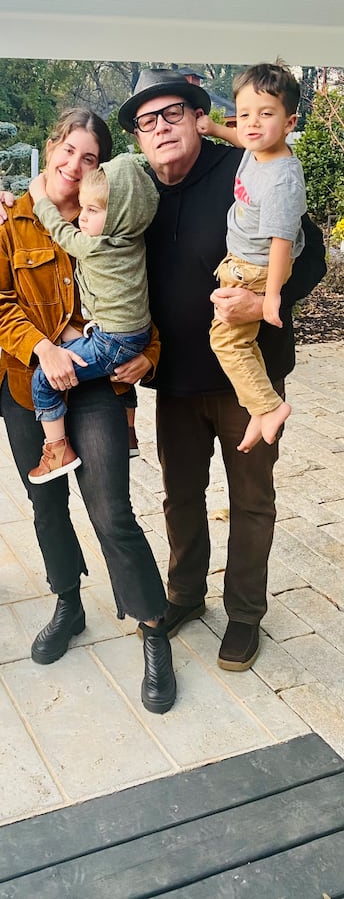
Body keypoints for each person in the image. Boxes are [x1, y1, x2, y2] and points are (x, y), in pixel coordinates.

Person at [115, 68, 325, 672]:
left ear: (199, 116)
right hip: (175, 381)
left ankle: (244, 615)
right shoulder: (139, 193)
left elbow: (304, 252)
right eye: (146, 121)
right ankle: (185, 594)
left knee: (251, 499)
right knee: (181, 495)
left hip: (248, 379)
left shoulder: (243, 167)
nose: (160, 128)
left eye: (172, 113)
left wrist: (264, 304)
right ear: (137, 136)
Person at [0, 108, 176, 715]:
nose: (74, 166)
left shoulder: (121, 219)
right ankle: (68, 602)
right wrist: (42, 348)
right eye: (67, 151)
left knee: (112, 508)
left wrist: (150, 357)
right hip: (29, 380)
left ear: (103, 168)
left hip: (99, 385)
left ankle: (152, 627)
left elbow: (151, 304)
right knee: (45, 503)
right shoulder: (11, 220)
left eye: (90, 158)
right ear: (51, 146)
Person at [27, 153, 158, 483]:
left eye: (93, 211)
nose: (82, 219)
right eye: (82, 208)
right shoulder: (133, 237)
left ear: (118, 215)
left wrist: (40, 197)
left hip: (112, 340)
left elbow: (59, 230)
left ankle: (56, 449)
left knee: (44, 378)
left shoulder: (96, 245)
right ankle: (128, 433)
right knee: (82, 350)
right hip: (133, 334)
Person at [196, 63, 306, 452]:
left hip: (259, 266)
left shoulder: (281, 179)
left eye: (265, 114)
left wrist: (271, 295)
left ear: (290, 121)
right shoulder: (255, 147)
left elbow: (281, 241)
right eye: (244, 115)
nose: (252, 124)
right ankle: (260, 410)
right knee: (240, 340)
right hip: (246, 256)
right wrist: (217, 130)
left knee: (227, 340)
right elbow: (242, 140)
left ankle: (268, 408)